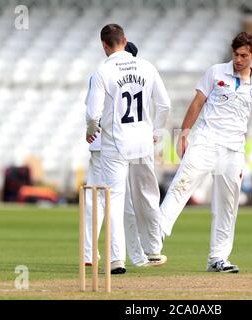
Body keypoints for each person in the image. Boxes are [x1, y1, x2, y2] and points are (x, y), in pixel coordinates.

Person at [159, 32, 252, 273]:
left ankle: (218, 258)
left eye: (244, 55)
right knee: (181, 184)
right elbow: (197, 103)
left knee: (227, 205)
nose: (239, 60)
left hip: (233, 149)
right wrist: (184, 134)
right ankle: (153, 239)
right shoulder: (216, 72)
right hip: (205, 139)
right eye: (236, 54)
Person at [85, 24, 170, 274]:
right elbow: (164, 105)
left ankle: (116, 259)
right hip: (143, 142)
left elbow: (93, 113)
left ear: (104, 45)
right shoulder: (146, 66)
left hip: (116, 144)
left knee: (114, 200)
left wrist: (91, 130)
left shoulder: (103, 71)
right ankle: (153, 248)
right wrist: (156, 131)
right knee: (147, 195)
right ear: (125, 40)